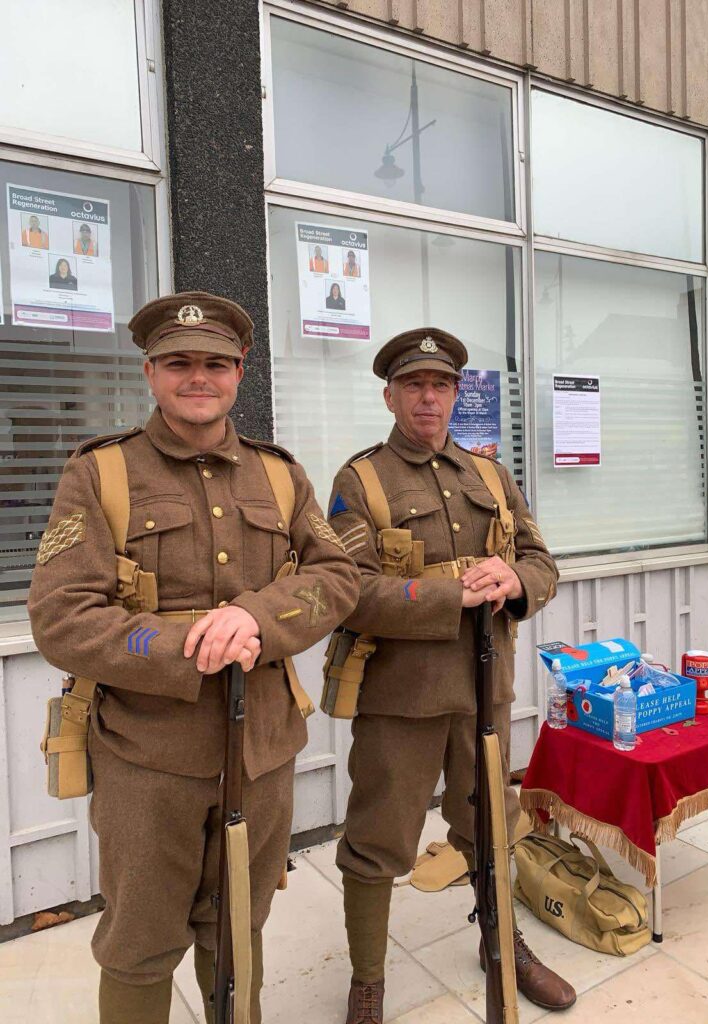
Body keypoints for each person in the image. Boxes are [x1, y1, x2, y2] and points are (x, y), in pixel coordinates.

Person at [28, 291, 360, 1024]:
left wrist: (257, 616)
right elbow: (61, 617)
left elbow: (337, 576)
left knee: (240, 926)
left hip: (264, 750)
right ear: (150, 372)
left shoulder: (280, 475)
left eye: (215, 362)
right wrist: (188, 644)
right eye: (179, 363)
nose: (197, 377)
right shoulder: (101, 474)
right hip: (149, 759)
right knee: (140, 942)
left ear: (240, 372)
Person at [327, 328, 576, 1023]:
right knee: (377, 841)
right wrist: (449, 595)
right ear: (391, 395)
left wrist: (515, 577)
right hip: (401, 696)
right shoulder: (361, 480)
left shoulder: (491, 475)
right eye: (413, 385)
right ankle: (368, 981)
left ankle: (503, 946)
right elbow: (349, 590)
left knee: (492, 827)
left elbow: (542, 563)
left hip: (484, 690)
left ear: (456, 393)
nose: (427, 397)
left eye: (439, 385)